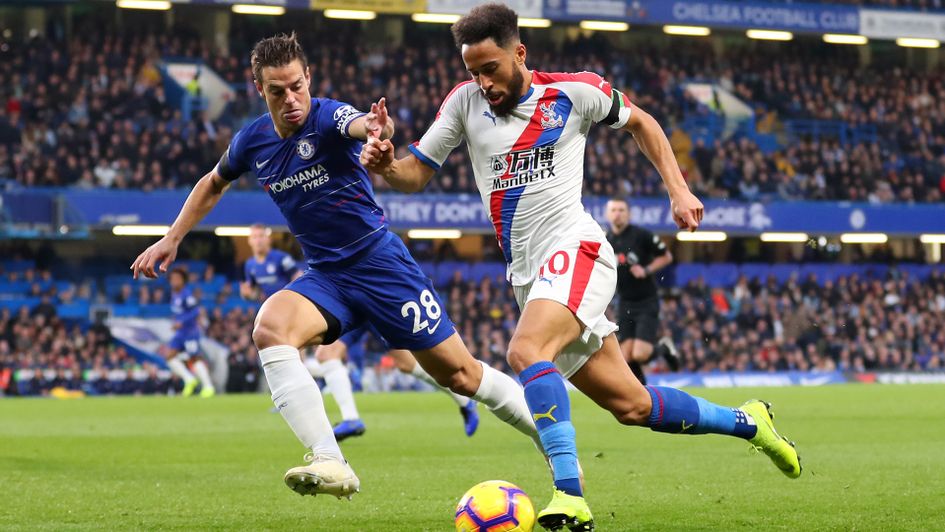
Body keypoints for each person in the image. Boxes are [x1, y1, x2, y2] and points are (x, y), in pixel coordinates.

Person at [360, 4, 801, 529]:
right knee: (633, 406)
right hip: (530, 278)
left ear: (519, 52)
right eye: (473, 72)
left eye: (490, 69)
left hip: (578, 249)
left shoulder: (574, 93)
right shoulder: (462, 104)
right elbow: (414, 175)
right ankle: (750, 422)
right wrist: (386, 163)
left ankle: (569, 495)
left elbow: (643, 122)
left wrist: (678, 189)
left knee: (524, 350)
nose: (482, 82)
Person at [131, 32, 538, 501]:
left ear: (309, 78)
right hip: (327, 276)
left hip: (380, 264)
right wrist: (172, 237)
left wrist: (377, 131)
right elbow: (213, 181)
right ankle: (331, 459)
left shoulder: (327, 116)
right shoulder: (253, 139)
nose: (291, 99)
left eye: (297, 86)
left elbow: (360, 124)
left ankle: (548, 439)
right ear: (258, 88)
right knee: (270, 328)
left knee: (461, 375)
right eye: (277, 91)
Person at [319, 324, 480, 441]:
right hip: (352, 298)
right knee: (327, 353)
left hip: (374, 297)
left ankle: (465, 397)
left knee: (407, 364)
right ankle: (351, 419)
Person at [604, 197, 680, 384]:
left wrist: (646, 270)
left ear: (628, 214)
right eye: (613, 210)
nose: (617, 214)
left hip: (646, 300)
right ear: (607, 214)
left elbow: (666, 256)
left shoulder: (641, 235)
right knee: (625, 356)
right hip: (624, 302)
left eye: (621, 210)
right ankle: (643, 390)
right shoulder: (605, 240)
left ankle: (664, 347)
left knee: (640, 353)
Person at [163, 267, 215, 398]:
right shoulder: (174, 294)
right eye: (172, 278)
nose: (174, 281)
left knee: (194, 358)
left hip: (190, 332)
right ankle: (189, 379)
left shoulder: (186, 294)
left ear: (183, 281)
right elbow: (179, 312)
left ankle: (208, 387)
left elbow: (196, 311)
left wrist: (182, 322)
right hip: (180, 333)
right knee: (169, 356)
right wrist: (176, 322)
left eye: (177, 279)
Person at [241, 223, 301, 301]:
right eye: (254, 237)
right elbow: (254, 294)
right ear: (249, 241)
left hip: (285, 304)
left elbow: (297, 277)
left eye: (261, 236)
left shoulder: (282, 258)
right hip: (266, 308)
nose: (258, 240)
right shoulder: (249, 265)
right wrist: (246, 294)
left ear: (268, 239)